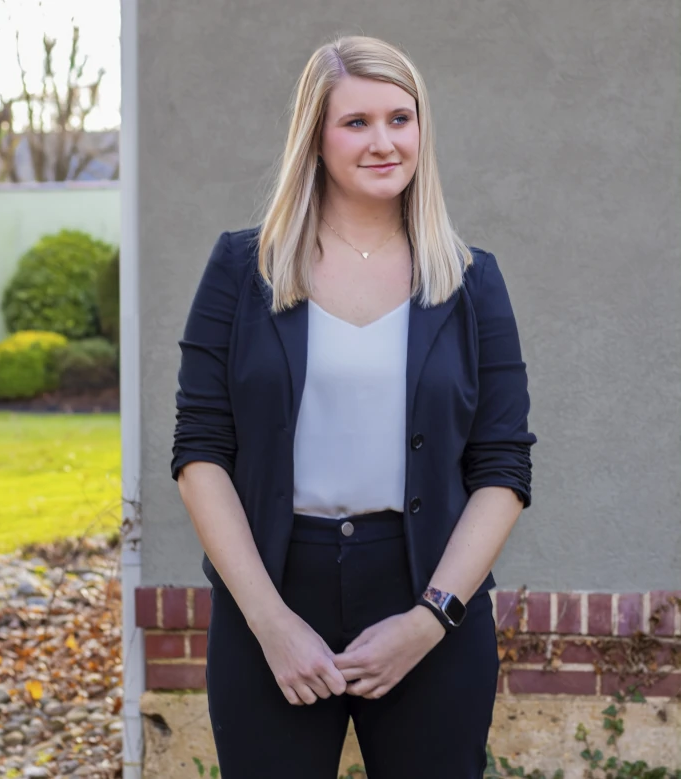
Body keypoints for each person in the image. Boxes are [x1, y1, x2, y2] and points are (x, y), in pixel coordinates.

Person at [171, 34, 536, 779]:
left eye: (400, 119)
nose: (384, 142)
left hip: (425, 590)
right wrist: (269, 622)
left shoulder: (471, 281)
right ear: (315, 136)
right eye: (357, 122)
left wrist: (430, 620)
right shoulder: (243, 270)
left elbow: (503, 466)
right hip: (272, 588)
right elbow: (200, 450)